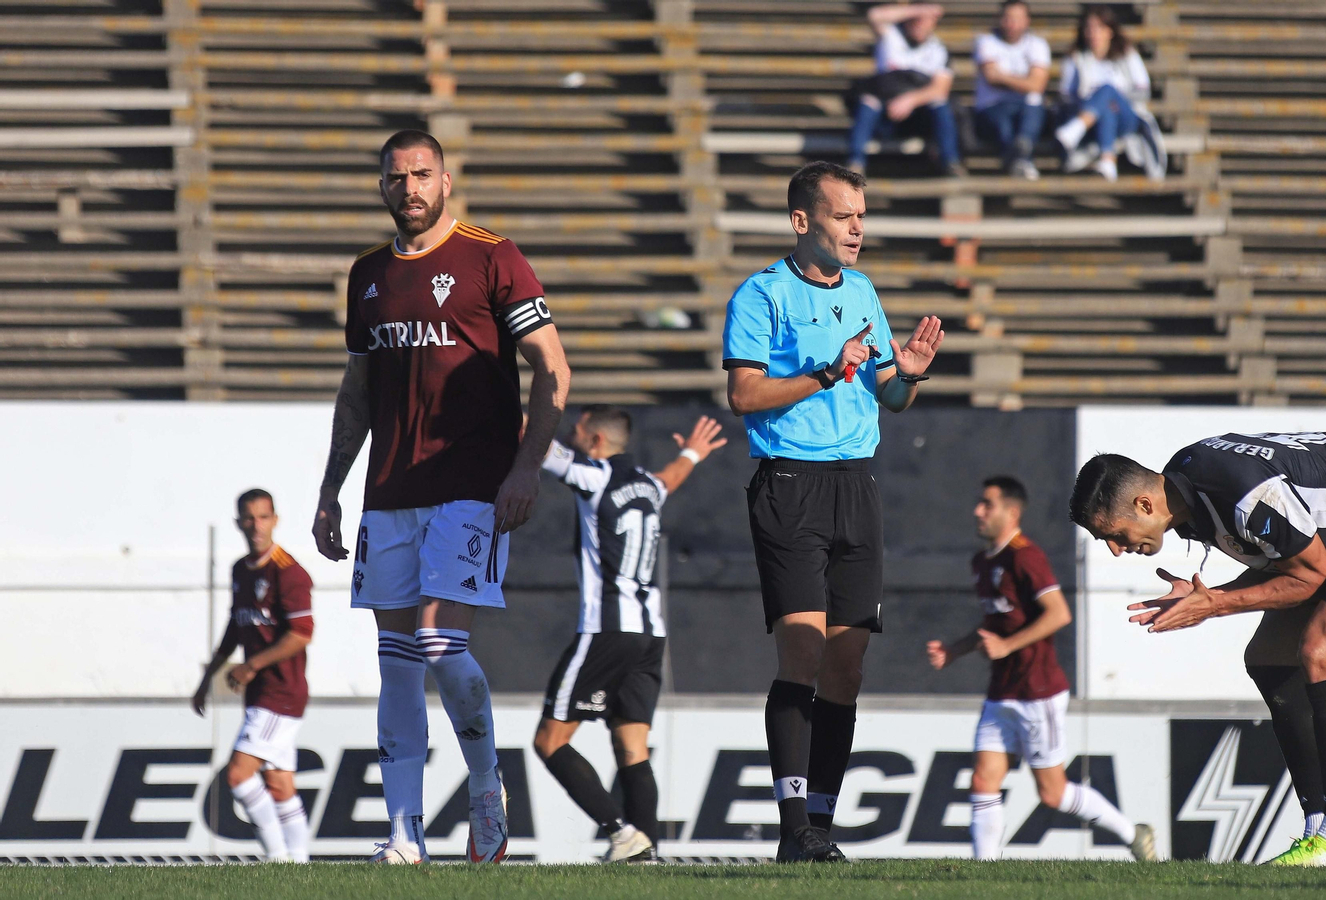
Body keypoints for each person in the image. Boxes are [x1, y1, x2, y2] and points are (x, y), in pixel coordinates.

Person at [311, 129, 571, 864]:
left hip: (471, 483)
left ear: (446, 181)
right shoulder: (367, 275)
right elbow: (357, 389)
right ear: (382, 186)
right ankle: (404, 834)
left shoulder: (492, 255)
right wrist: (331, 489)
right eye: (396, 178)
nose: (410, 189)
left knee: (435, 640)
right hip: (389, 487)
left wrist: (526, 467)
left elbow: (553, 366)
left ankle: (488, 785)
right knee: (395, 657)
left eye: (422, 175)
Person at [1068, 432, 1326, 867]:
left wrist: (1213, 604)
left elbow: (1310, 576)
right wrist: (1210, 596)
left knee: (1322, 652)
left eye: (1114, 535)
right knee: (1269, 658)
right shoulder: (1189, 491)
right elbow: (1285, 564)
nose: (1116, 550)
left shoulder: (1242, 495)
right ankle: (1317, 833)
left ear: (1143, 505)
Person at [721, 160, 944, 862]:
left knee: (846, 666)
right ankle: (794, 833)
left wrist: (906, 374)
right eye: (844, 216)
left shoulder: (865, 292)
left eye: (861, 216)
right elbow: (744, 396)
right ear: (802, 222)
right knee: (804, 653)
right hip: (790, 485)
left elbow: (889, 395)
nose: (857, 229)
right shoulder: (761, 295)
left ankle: (820, 823)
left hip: (857, 485)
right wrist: (826, 371)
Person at [532, 406, 728, 864]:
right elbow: (670, 479)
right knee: (631, 747)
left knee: (550, 741)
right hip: (649, 636)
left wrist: (501, 398)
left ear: (596, 441)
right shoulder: (647, 484)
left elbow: (540, 447)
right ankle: (647, 857)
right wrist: (693, 455)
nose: (572, 437)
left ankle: (622, 834)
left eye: (578, 432)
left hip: (607, 629)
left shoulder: (594, 475)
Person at [928, 476, 1157, 862]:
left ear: (1012, 511)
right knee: (983, 778)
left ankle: (1133, 833)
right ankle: (982, 871)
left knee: (1052, 793)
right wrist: (956, 650)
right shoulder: (983, 562)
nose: (977, 512)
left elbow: (1058, 614)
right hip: (1002, 691)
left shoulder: (1025, 556)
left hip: (1038, 691)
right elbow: (995, 625)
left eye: (988, 504)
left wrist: (1005, 646)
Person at [192, 488, 315, 863]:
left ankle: (277, 858)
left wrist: (252, 665)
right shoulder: (239, 570)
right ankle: (300, 863)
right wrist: (206, 679)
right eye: (249, 518)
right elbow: (235, 626)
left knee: (238, 776)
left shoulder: (289, 572)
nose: (256, 525)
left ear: (275, 520)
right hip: (261, 691)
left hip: (281, 691)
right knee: (279, 784)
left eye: (263, 517)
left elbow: (302, 634)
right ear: (238, 523)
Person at [847, 4, 963, 177]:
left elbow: (940, 90)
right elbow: (874, 14)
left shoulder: (938, 50)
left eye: (925, 20)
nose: (919, 24)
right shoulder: (891, 35)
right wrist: (919, 10)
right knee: (868, 102)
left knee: (941, 106)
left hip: (919, 117)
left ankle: (951, 162)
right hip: (885, 114)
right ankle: (855, 164)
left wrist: (909, 100)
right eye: (916, 19)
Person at [1055, 5, 1166, 182]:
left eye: (1099, 27)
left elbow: (1143, 90)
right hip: (1094, 120)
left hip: (1127, 116)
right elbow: (1065, 96)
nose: (1093, 33)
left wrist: (1116, 97)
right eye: (1089, 28)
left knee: (1108, 90)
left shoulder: (1127, 54)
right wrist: (1094, 102)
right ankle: (1108, 161)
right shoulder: (1075, 57)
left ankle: (1077, 128)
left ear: (1110, 30)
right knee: (1105, 106)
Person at [972, 0, 1051, 180]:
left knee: (1033, 104)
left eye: (1017, 19)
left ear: (1027, 21)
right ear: (999, 20)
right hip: (992, 108)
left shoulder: (1037, 44)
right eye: (1007, 18)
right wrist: (1025, 81)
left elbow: (1037, 86)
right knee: (1005, 123)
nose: (1011, 24)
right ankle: (1023, 158)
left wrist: (1003, 76)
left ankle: (1020, 154)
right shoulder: (986, 41)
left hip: (1025, 108)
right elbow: (992, 78)